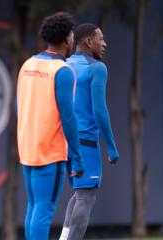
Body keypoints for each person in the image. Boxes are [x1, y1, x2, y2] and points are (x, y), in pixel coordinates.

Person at [16, 12, 84, 240]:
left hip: (28, 148)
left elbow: (20, 107)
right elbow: (69, 117)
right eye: (72, 34)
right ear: (66, 38)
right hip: (49, 152)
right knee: (43, 210)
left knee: (33, 207)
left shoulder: (28, 64)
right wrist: (76, 155)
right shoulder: (63, 71)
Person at [59, 23, 119, 240]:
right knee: (86, 196)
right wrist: (111, 147)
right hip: (84, 142)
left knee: (78, 194)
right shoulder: (96, 68)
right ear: (88, 41)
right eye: (100, 38)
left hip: (62, 142)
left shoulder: (63, 65)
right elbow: (99, 110)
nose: (104, 43)